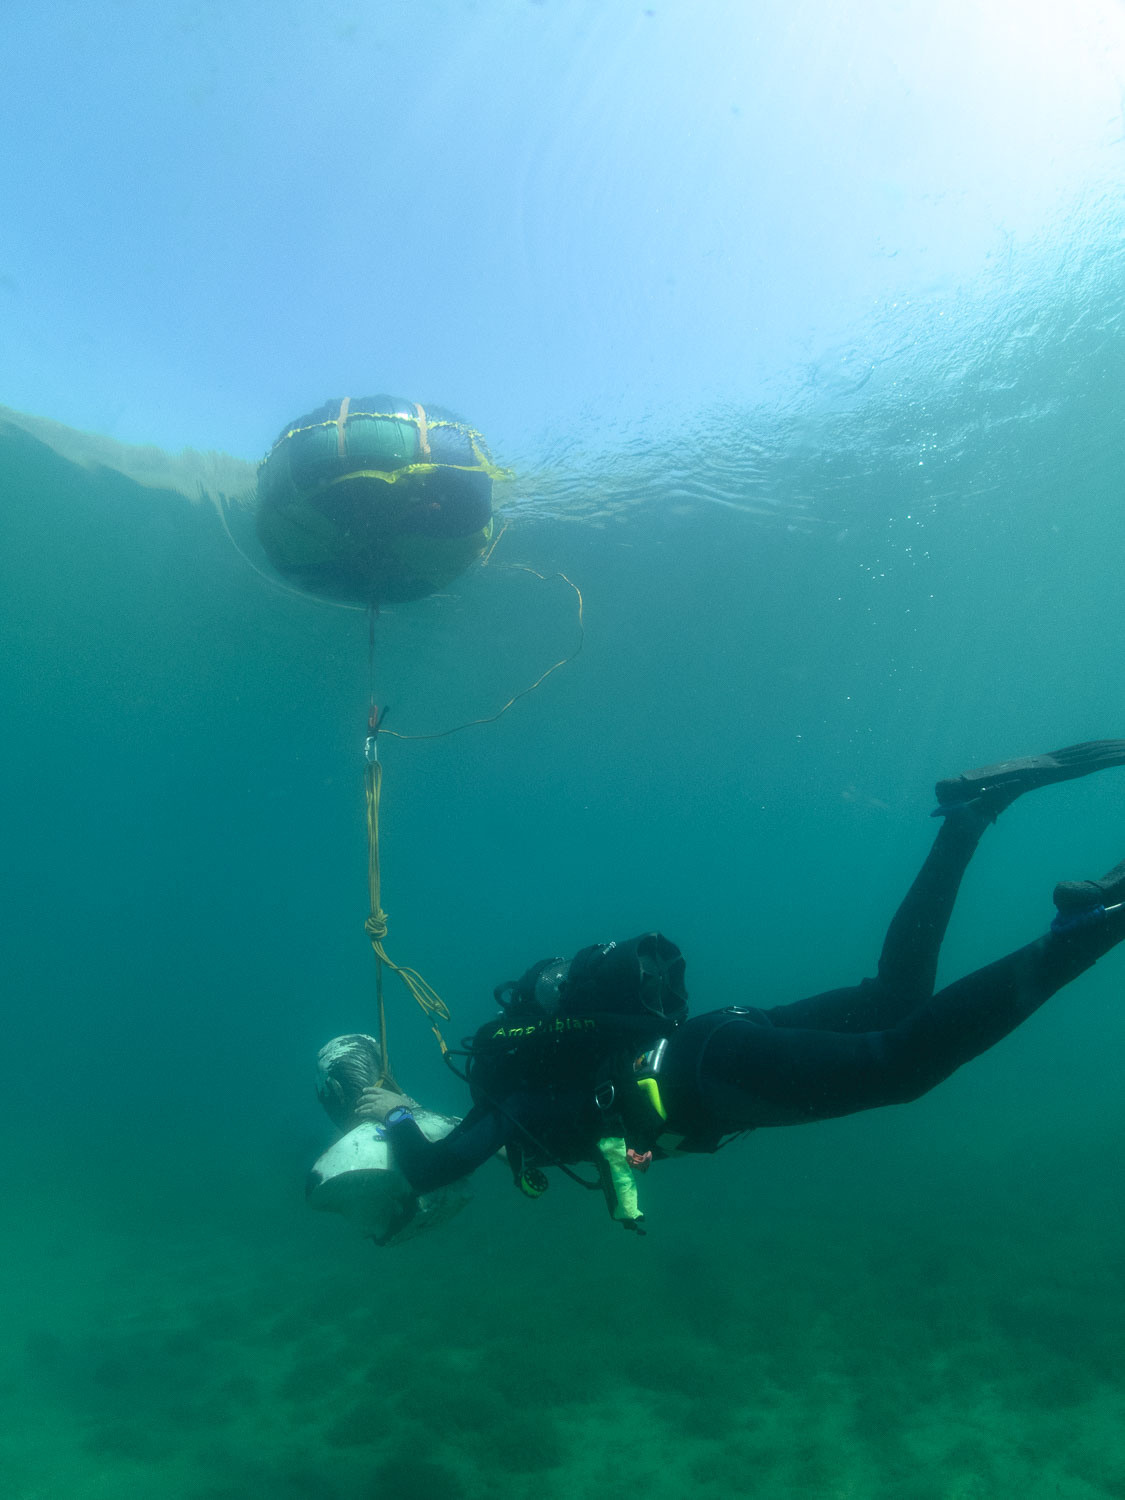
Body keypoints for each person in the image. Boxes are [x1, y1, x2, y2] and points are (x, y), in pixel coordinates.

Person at [341, 740, 1125, 1234]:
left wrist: (387, 1107)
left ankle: (1087, 928)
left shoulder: (505, 1103)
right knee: (893, 994)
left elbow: (434, 1168)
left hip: (712, 1075)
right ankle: (967, 814)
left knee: (903, 1064)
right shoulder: (543, 1076)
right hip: (711, 1037)